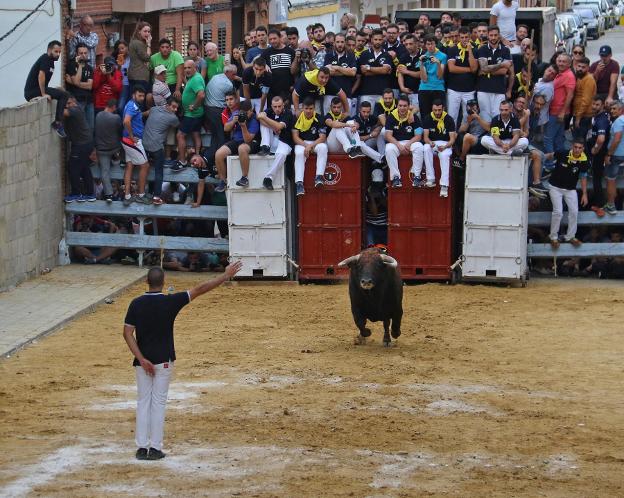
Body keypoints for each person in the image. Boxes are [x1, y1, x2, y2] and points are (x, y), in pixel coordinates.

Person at [123, 263, 242, 461]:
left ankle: (142, 447)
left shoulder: (136, 303)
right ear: (163, 283)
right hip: (164, 360)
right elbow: (200, 289)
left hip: (142, 362)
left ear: (146, 282)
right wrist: (225, 275)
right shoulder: (170, 302)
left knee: (143, 402)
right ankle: (155, 447)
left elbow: (127, 333)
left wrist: (142, 359)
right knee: (158, 403)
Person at [548, 138, 589, 249]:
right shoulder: (563, 153)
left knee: (574, 212)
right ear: (572, 147)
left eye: (580, 148)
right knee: (558, 212)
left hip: (570, 189)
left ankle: (570, 236)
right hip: (555, 187)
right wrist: (543, 163)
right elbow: (550, 155)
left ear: (583, 149)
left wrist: (584, 194)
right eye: (575, 147)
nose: (577, 149)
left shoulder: (584, 160)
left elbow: (583, 177)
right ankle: (553, 237)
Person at [24, 40, 68, 137]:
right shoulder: (46, 59)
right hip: (32, 91)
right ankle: (57, 123)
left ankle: (58, 121)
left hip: (37, 89)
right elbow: (41, 75)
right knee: (64, 95)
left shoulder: (51, 62)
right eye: (56, 51)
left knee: (62, 92)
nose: (58, 54)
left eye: (59, 52)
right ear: (49, 50)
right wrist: (43, 93)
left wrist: (54, 90)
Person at [214, 100, 260, 191]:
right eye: (242, 112)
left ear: (251, 111)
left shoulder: (254, 119)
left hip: (251, 141)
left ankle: (245, 178)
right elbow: (226, 128)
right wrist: (233, 122)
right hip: (236, 140)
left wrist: (243, 126)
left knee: (242, 148)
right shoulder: (236, 114)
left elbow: (248, 139)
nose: (244, 115)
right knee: (219, 154)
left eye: (247, 112)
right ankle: (223, 181)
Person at [143, 97, 181, 205]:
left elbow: (144, 114)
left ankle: (145, 193)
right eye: (173, 107)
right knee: (159, 171)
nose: (175, 110)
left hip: (145, 145)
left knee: (147, 168)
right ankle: (156, 196)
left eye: (177, 108)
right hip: (157, 147)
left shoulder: (154, 109)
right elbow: (179, 126)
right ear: (167, 105)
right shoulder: (172, 118)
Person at [544, 53, 576, 172]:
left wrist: (562, 112)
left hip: (558, 112)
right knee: (558, 139)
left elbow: (570, 95)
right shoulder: (559, 73)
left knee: (548, 138)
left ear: (569, 64)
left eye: (563, 62)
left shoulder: (569, 76)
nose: (561, 63)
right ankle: (560, 163)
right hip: (554, 111)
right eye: (559, 61)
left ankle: (549, 165)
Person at [384, 94, 424, 189]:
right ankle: (396, 178)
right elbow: (388, 136)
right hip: (396, 143)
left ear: (408, 106)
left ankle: (417, 177)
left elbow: (418, 136)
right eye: (400, 105)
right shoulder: (391, 117)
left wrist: (408, 144)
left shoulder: (414, 117)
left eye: (405, 106)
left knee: (419, 146)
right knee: (389, 149)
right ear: (397, 106)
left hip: (411, 142)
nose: (402, 108)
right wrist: (399, 145)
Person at [173, 60, 205, 171]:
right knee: (196, 134)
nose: (186, 70)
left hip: (192, 114)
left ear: (195, 67)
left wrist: (194, 106)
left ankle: (182, 161)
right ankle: (197, 155)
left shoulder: (196, 79)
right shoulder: (194, 78)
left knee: (180, 135)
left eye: (189, 68)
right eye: (185, 68)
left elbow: (201, 95)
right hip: (195, 114)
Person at [292, 97, 328, 195]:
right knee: (299, 153)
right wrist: (306, 145)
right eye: (306, 108)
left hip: (315, 142)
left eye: (311, 108)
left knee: (323, 147)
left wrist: (310, 146)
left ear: (314, 108)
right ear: (302, 108)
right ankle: (299, 183)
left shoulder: (319, 117)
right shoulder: (296, 118)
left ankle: (319, 177)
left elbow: (322, 137)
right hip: (301, 142)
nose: (308, 111)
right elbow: (295, 137)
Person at [122, 86, 151, 206]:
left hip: (125, 140)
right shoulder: (133, 106)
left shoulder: (130, 105)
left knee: (129, 166)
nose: (142, 98)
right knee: (145, 166)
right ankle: (141, 195)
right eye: (140, 95)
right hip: (132, 141)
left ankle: (127, 196)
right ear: (134, 94)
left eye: (143, 96)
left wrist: (145, 113)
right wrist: (132, 136)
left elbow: (134, 117)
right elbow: (126, 121)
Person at [476, 25, 512, 122]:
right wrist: (501, 65)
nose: (493, 38)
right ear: (487, 35)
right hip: (483, 89)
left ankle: (495, 137)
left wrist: (487, 70)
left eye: (495, 35)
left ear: (499, 36)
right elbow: (484, 68)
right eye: (491, 35)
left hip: (499, 89)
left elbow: (504, 71)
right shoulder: (482, 49)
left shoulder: (505, 50)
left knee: (498, 117)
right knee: (485, 117)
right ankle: (486, 137)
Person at [63, 97, 96, 203]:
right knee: (84, 168)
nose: (67, 105)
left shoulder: (75, 109)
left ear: (74, 101)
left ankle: (76, 193)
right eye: (65, 104)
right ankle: (90, 194)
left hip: (81, 145)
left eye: (68, 103)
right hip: (84, 143)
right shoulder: (76, 109)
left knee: (73, 167)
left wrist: (59, 99)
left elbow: (64, 113)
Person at [257, 96, 294, 189]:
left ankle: (268, 178)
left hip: (285, 141)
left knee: (281, 154)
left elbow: (279, 126)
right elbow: (259, 117)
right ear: (272, 106)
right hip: (272, 140)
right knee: (263, 125)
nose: (277, 109)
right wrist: (273, 126)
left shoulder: (288, 113)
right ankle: (265, 146)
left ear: (283, 105)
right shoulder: (269, 110)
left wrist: (269, 122)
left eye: (279, 106)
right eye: (275, 106)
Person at [204, 65, 237, 165]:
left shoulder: (215, 77)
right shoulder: (228, 84)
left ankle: (207, 158)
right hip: (217, 112)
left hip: (207, 110)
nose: (234, 76)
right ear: (228, 73)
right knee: (222, 137)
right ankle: (218, 161)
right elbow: (233, 98)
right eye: (233, 74)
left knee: (215, 137)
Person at [422, 100, 456, 197]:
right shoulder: (428, 118)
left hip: (446, 143)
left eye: (439, 110)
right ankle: (431, 178)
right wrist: (430, 142)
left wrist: (445, 146)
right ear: (432, 109)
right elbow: (425, 138)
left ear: (443, 109)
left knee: (444, 155)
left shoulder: (449, 119)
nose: (437, 112)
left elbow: (452, 139)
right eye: (435, 110)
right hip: (433, 143)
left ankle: (444, 185)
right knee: (426, 147)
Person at [446, 27, 478, 127]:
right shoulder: (452, 49)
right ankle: (451, 138)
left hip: (469, 90)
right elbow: (451, 68)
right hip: (454, 89)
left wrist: (470, 51)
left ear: (470, 37)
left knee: (467, 116)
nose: (464, 39)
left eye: (466, 37)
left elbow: (475, 68)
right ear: (459, 38)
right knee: (452, 115)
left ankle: (462, 135)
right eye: (462, 37)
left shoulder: (475, 50)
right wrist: (469, 70)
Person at [357, 29, 394, 108]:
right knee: (366, 117)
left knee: (380, 118)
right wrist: (380, 70)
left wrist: (369, 68)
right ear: (371, 40)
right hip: (366, 92)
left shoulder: (387, 54)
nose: (378, 41)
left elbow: (385, 70)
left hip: (382, 93)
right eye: (375, 39)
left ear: (383, 40)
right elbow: (364, 72)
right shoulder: (364, 54)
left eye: (380, 39)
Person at [94, 99, 122, 202]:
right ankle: (116, 160)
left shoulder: (98, 116)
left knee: (104, 172)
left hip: (101, 150)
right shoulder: (116, 118)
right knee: (118, 162)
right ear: (114, 107)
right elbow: (120, 132)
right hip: (114, 149)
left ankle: (109, 194)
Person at [587, 95, 610, 216]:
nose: (595, 107)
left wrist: (595, 150)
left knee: (597, 179)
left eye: (597, 105)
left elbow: (601, 139)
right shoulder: (598, 117)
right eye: (593, 104)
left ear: (602, 106)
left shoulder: (601, 120)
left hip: (600, 154)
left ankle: (599, 206)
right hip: (598, 152)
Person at [322, 33, 357, 113]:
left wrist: (337, 67)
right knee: (329, 121)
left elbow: (353, 73)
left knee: (346, 122)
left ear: (345, 43)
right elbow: (327, 72)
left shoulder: (351, 56)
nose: (340, 44)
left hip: (346, 94)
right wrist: (345, 71)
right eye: (337, 42)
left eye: (342, 42)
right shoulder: (328, 55)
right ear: (334, 42)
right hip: (330, 94)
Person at [65, 42, 94, 131]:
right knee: (77, 127)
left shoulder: (89, 68)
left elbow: (89, 86)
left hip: (89, 101)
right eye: (81, 53)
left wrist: (74, 83)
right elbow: (77, 81)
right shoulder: (72, 65)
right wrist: (80, 66)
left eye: (85, 53)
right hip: (77, 101)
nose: (83, 55)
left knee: (90, 126)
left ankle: (90, 144)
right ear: (77, 54)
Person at [418, 35, 447, 121]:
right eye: (428, 44)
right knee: (425, 115)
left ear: (435, 44)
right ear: (425, 45)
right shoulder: (423, 57)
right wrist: (421, 64)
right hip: (424, 88)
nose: (430, 46)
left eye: (432, 44)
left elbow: (439, 76)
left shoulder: (442, 56)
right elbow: (424, 79)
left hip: (438, 88)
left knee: (439, 115)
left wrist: (438, 63)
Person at [603, 100, 624, 215]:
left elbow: (616, 139)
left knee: (610, 180)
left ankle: (611, 205)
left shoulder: (619, 121)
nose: (612, 111)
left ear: (621, 110)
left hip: (616, 155)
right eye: (611, 109)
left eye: (614, 109)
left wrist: (608, 154)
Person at [456, 99, 489, 168]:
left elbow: (489, 128)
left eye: (473, 106)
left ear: (478, 107)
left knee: (467, 137)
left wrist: (478, 118)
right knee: (456, 135)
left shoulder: (484, 113)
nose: (471, 108)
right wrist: (468, 122)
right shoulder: (466, 114)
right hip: (471, 137)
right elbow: (460, 130)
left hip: (481, 138)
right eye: (469, 106)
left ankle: (461, 159)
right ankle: (458, 156)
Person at [573, 57, 596, 140]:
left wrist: (578, 118)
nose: (580, 69)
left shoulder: (589, 79)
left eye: (583, 67)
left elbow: (585, 101)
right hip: (579, 114)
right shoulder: (580, 77)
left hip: (584, 116)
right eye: (579, 66)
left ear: (588, 68)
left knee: (580, 141)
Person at [397, 34, 422, 111]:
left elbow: (422, 74)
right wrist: (402, 87)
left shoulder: (423, 55)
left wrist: (407, 71)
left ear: (416, 44)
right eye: (406, 44)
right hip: (405, 93)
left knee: (417, 116)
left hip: (419, 92)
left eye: (410, 44)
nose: (408, 46)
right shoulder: (403, 56)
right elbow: (400, 73)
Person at [128, 22, 152, 93]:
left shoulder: (134, 42)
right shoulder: (138, 43)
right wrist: (149, 44)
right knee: (140, 99)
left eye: (148, 32)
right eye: (145, 31)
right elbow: (147, 57)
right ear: (139, 31)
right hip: (140, 76)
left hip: (133, 75)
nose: (147, 33)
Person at [366, 169, 388, 246]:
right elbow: (374, 213)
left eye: (379, 183)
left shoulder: (385, 190)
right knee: (371, 248)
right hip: (371, 226)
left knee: (385, 249)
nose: (377, 186)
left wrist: (381, 195)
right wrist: (372, 197)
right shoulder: (367, 191)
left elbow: (389, 206)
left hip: (385, 226)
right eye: (376, 183)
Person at [113, 40, 131, 116]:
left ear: (127, 48)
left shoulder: (131, 58)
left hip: (131, 83)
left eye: (122, 48)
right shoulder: (117, 59)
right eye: (119, 49)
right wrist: (119, 65)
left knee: (129, 106)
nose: (121, 50)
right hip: (123, 84)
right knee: (120, 107)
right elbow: (117, 74)